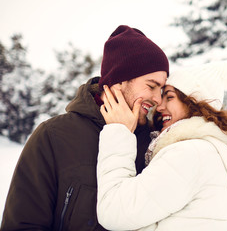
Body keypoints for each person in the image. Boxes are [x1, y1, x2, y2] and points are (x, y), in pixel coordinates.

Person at [0, 25, 169, 230]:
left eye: (161, 89)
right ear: (118, 81)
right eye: (151, 86)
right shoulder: (53, 136)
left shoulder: (155, 143)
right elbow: (22, 225)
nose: (158, 99)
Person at [97, 60, 227, 231]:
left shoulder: (190, 154)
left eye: (170, 97)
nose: (159, 106)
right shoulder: (211, 152)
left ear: (195, 103)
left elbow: (114, 211)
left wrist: (118, 131)